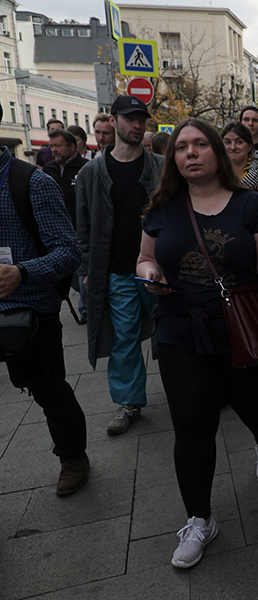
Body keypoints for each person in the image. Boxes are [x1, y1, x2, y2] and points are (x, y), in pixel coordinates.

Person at [136, 117, 258, 569]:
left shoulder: (251, 206)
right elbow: (146, 258)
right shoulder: (161, 209)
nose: (190, 152)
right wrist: (149, 274)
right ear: (174, 158)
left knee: (250, 401)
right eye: (182, 146)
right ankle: (199, 519)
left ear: (217, 153)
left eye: (200, 144)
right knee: (191, 424)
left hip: (242, 327)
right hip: (179, 330)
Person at [0, 105, 89, 497]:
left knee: (48, 388)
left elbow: (68, 252)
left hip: (29, 311)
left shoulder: (30, 181)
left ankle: (72, 456)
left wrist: (22, 272)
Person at [75, 95, 164, 435]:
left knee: (173, 331)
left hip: (160, 266)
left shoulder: (159, 166)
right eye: (129, 118)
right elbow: (83, 227)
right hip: (116, 271)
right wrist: (86, 271)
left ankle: (190, 390)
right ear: (113, 121)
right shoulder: (92, 173)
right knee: (124, 338)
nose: (137, 124)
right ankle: (129, 403)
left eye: (141, 118)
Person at [44, 128, 89, 324]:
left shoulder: (86, 168)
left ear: (72, 147)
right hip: (55, 230)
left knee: (82, 271)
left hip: (81, 229)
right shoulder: (49, 170)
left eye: (58, 146)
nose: (54, 150)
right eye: (51, 146)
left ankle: (86, 308)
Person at [221, 121, 258, 211]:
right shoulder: (215, 178)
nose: (233, 147)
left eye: (239, 142)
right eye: (227, 142)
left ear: (249, 146)